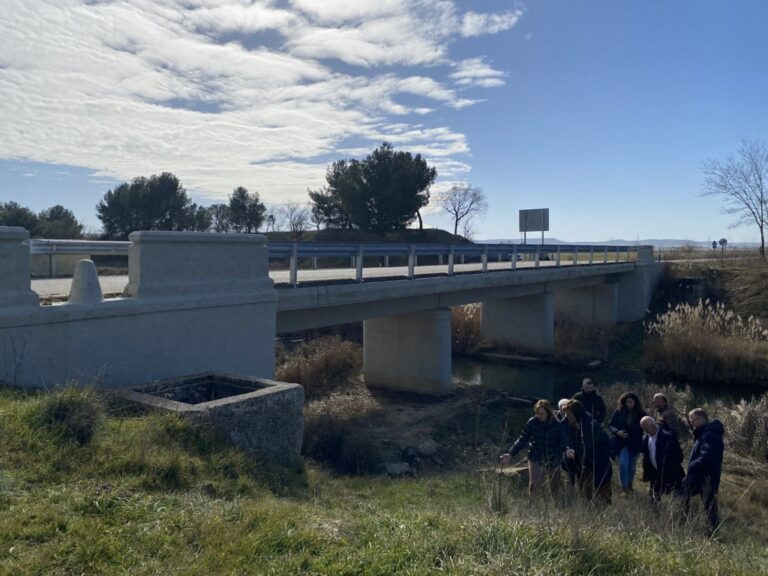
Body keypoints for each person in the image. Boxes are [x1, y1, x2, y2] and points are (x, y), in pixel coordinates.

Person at [500, 400, 569, 500]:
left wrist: (567, 449)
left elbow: (563, 441)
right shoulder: (532, 422)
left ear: (548, 413)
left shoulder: (557, 424)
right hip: (535, 454)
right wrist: (510, 453)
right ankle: (533, 505)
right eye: (537, 413)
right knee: (534, 485)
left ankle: (556, 505)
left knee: (555, 485)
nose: (539, 416)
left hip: (553, 455)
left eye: (541, 413)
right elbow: (522, 439)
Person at [681, 408, 724, 533]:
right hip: (700, 475)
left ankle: (712, 531)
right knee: (705, 503)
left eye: (692, 420)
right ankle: (684, 523)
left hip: (705, 476)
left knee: (709, 505)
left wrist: (692, 466)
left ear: (701, 419)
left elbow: (707, 456)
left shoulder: (710, 435)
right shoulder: (703, 433)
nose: (691, 423)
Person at [563, 400, 613, 504]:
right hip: (585, 463)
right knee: (585, 491)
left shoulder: (591, 425)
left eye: (569, 414)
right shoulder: (573, 425)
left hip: (598, 462)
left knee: (603, 492)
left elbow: (597, 445)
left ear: (576, 414)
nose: (567, 417)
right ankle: (588, 509)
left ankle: (603, 511)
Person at [609, 392, 647, 495]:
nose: (629, 404)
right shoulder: (619, 411)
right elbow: (611, 425)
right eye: (627, 402)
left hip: (635, 444)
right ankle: (624, 488)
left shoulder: (641, 413)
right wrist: (617, 432)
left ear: (635, 402)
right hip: (621, 443)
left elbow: (647, 425)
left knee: (632, 467)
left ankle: (629, 485)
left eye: (631, 402)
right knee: (623, 464)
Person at [640, 416, 685, 501]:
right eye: (643, 428)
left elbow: (679, 456)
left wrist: (668, 466)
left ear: (652, 425)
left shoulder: (668, 437)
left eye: (645, 427)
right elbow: (645, 457)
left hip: (671, 474)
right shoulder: (645, 439)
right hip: (655, 474)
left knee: (678, 498)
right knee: (654, 499)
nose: (644, 430)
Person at [556, 398, 579, 488]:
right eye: (562, 407)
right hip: (565, 452)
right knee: (568, 476)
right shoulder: (558, 423)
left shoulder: (576, 420)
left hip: (577, 451)